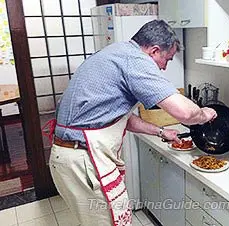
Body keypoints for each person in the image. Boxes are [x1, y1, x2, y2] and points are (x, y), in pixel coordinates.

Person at [46, 19, 217, 226]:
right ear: (154, 50)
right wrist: (206, 113)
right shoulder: (135, 60)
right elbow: (185, 113)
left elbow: (120, 119)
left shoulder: (118, 52)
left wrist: (161, 132)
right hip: (83, 161)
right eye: (168, 59)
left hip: (73, 157)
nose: (164, 68)